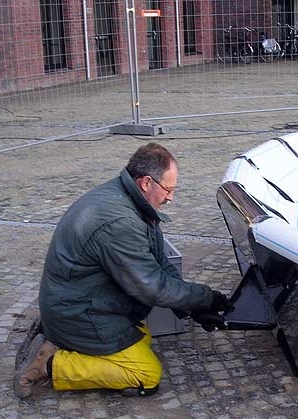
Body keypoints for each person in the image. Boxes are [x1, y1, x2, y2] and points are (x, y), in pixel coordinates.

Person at [14, 143, 229, 399]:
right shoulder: (121, 222)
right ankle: (50, 365)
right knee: (147, 375)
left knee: (143, 338)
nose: (171, 197)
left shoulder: (125, 198)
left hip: (83, 303)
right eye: (168, 189)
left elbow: (159, 263)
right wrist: (207, 297)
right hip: (77, 314)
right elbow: (152, 286)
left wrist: (191, 307)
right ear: (146, 182)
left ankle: (56, 345)